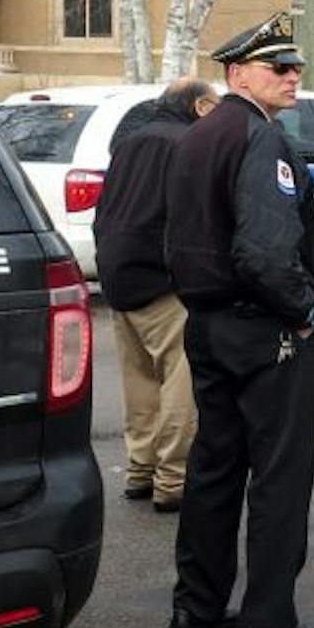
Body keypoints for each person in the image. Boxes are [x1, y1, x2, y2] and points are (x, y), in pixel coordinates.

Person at [162, 13, 314, 628]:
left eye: (295, 68)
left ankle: (196, 607)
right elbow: (264, 252)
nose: (293, 78)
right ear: (237, 75)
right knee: (281, 475)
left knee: (215, 468)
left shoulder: (200, 136)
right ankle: (268, 619)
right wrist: (299, 309)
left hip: (208, 323)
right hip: (261, 325)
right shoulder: (258, 138)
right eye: (277, 68)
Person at [92, 77, 217, 513]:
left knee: (139, 381)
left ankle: (140, 470)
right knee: (180, 384)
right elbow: (194, 217)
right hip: (165, 281)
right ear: (200, 106)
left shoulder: (132, 141)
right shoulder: (188, 144)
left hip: (119, 274)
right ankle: (173, 480)